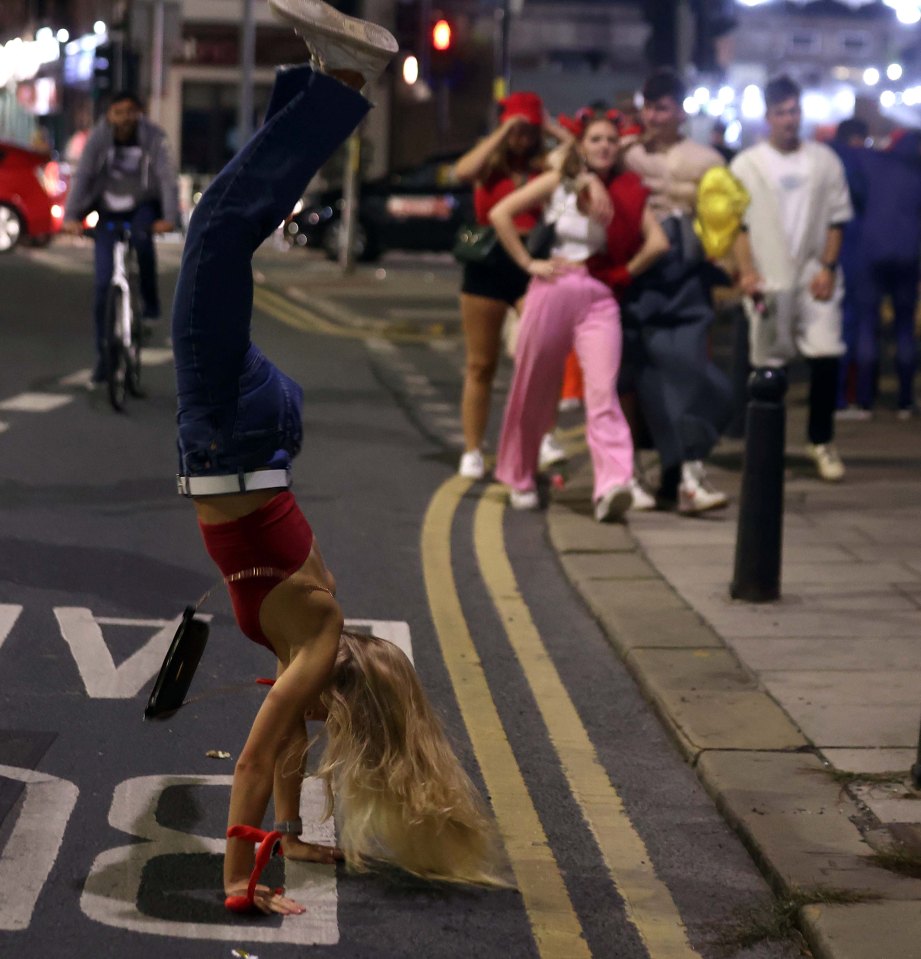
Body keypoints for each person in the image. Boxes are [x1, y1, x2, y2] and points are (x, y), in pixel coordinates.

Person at [172, 0, 505, 915]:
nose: (308, 731)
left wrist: (298, 833)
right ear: (338, 697)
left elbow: (281, 760)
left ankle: (317, 76)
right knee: (217, 230)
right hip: (230, 434)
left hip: (259, 435)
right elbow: (253, 757)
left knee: (222, 231)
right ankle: (344, 83)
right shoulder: (312, 644)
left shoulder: (314, 644)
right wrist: (242, 884)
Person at [490, 112, 669, 520]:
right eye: (595, 139)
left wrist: (624, 272)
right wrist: (529, 263)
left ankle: (612, 485)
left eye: (610, 139)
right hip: (553, 286)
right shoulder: (561, 181)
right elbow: (501, 213)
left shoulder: (625, 191)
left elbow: (657, 241)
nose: (604, 145)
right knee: (533, 386)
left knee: (603, 393)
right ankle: (518, 476)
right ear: (583, 146)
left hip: (599, 295)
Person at [620, 68, 733, 513]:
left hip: (686, 277)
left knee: (694, 374)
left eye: (662, 106)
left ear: (680, 110)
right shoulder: (627, 153)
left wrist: (741, 271)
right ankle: (661, 473)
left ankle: (687, 468)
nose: (653, 115)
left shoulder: (708, 159)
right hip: (638, 274)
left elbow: (726, 222)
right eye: (648, 106)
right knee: (641, 380)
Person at [731, 75, 853, 481]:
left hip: (812, 274)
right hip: (769, 277)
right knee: (767, 364)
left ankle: (821, 441)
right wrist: (746, 272)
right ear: (768, 116)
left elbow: (837, 218)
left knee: (826, 353)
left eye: (795, 111)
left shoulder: (824, 161)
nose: (789, 119)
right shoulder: (747, 165)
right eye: (781, 112)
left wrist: (828, 267)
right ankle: (766, 448)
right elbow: (738, 226)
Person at [452, 93, 575, 480]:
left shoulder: (546, 164)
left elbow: (576, 156)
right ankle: (473, 449)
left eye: (529, 129)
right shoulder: (489, 161)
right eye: (517, 128)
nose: (523, 136)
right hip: (487, 263)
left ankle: (544, 436)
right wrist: (505, 127)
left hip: (532, 262)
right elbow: (461, 173)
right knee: (481, 364)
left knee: (543, 354)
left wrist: (547, 125)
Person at [63, 91, 178, 384]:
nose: (124, 117)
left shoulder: (153, 136)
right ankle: (104, 357)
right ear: (109, 115)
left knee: (142, 239)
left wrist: (168, 217)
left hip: (141, 205)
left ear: (138, 113)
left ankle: (150, 306)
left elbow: (166, 177)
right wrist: (71, 216)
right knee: (102, 285)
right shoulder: (99, 138)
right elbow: (84, 176)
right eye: (118, 112)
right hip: (107, 209)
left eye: (130, 111)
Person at [842, 128, 921, 417]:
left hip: (871, 253)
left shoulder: (873, 164)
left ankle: (864, 399)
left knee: (867, 325)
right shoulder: (917, 172)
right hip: (908, 256)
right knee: (904, 328)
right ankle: (904, 400)